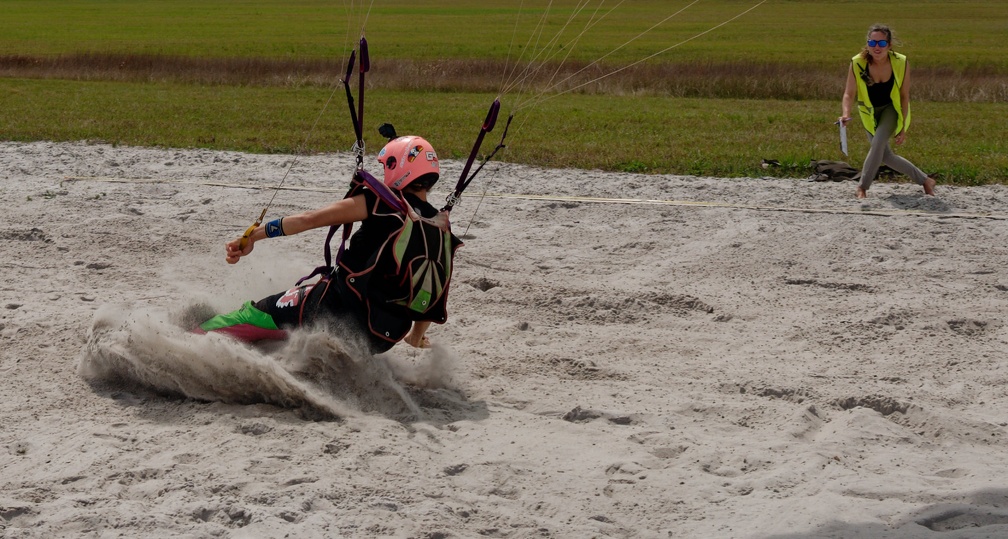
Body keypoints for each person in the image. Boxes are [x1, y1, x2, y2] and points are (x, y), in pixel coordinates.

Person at [196, 135, 446, 354]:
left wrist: (254, 237)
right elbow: (431, 289)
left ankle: (191, 336)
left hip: (335, 310)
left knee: (259, 313)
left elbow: (309, 220)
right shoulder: (439, 227)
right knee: (294, 325)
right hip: (381, 336)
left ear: (397, 167)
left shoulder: (379, 204)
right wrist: (414, 336)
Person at [839, 23, 937, 199]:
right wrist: (846, 114)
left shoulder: (901, 62)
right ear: (867, 44)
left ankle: (862, 187)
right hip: (869, 113)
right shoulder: (857, 63)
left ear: (889, 45)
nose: (877, 47)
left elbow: (904, 96)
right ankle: (925, 180)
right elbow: (849, 93)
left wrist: (903, 126)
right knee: (885, 156)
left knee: (877, 145)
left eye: (882, 43)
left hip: (891, 110)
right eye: (873, 43)